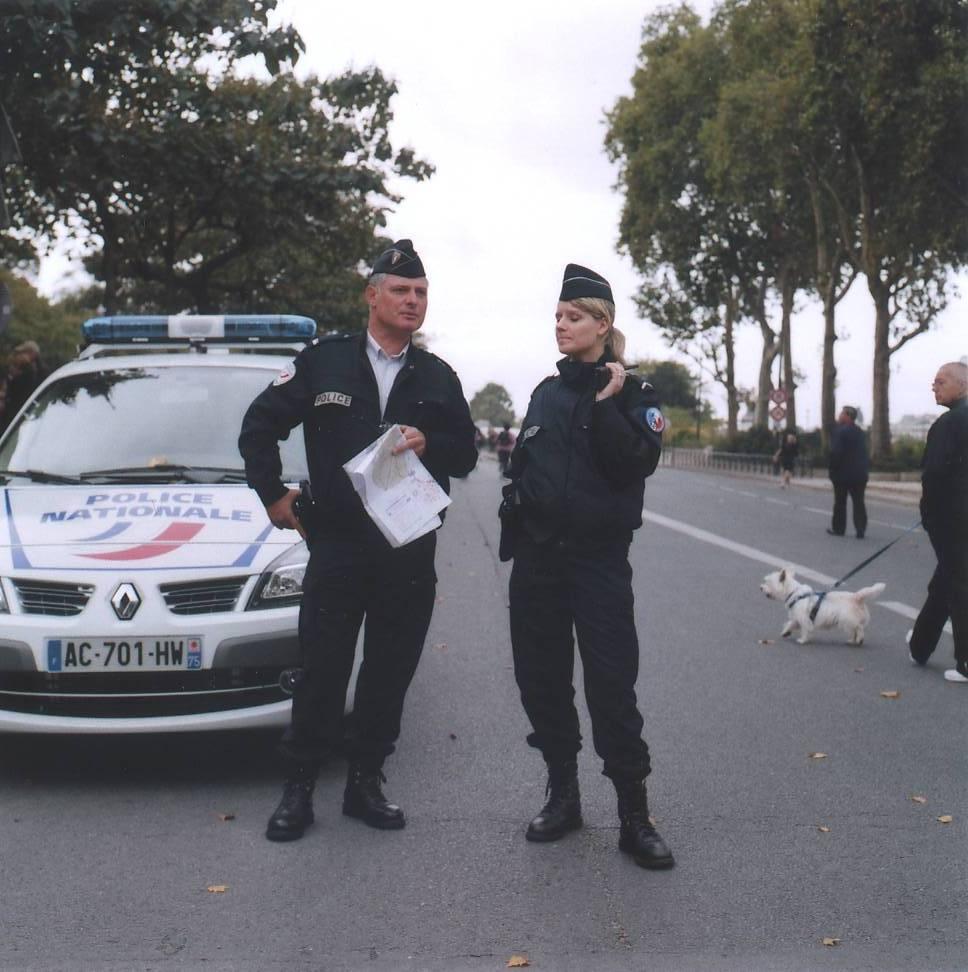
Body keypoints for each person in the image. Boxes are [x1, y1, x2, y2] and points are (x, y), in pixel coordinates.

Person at [239, 239, 478, 841]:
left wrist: (431, 442)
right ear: (372, 295)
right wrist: (272, 495)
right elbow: (259, 425)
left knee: (389, 671)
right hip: (338, 545)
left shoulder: (438, 376)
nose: (412, 301)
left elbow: (467, 454)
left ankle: (365, 782)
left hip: (408, 547)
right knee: (323, 669)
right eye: (400, 290)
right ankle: (299, 788)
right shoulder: (325, 361)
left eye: (420, 292)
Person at [502, 263, 674, 870]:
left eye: (573, 317)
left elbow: (636, 464)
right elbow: (524, 464)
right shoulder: (544, 393)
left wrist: (603, 406)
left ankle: (634, 815)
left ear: (603, 324)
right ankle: (563, 795)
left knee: (611, 685)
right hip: (539, 562)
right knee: (541, 681)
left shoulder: (635, 393)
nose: (561, 325)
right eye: (558, 316)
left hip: (598, 563)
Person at [907, 361, 968, 684]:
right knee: (947, 579)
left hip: (953, 519)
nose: (935, 387)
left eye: (941, 382)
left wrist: (928, 514)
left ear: (963, 385)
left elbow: (933, 474)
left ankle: (965, 662)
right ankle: (919, 645)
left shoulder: (949, 423)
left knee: (957, 584)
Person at [827, 406, 869, 538]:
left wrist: (832, 469)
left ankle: (839, 528)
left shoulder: (839, 432)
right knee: (859, 502)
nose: (839, 415)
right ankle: (860, 528)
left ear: (847, 416)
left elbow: (836, 452)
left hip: (842, 474)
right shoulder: (860, 432)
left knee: (840, 502)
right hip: (859, 474)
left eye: (841, 413)